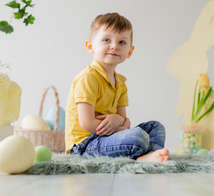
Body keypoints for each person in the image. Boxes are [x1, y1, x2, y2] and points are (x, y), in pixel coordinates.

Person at [65, 12, 169, 162]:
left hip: (109, 137)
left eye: (122, 42)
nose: (114, 46)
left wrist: (118, 121)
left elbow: (125, 120)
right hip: (85, 145)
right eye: (106, 40)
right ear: (90, 46)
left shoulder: (120, 82)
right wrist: (118, 126)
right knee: (137, 137)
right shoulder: (88, 77)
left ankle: (149, 156)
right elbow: (87, 123)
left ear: (130, 52)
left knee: (155, 127)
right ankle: (141, 156)